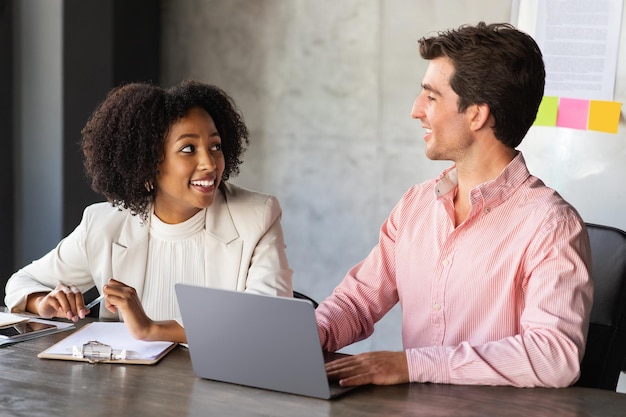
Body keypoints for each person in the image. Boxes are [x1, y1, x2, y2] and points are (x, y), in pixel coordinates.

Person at [316, 22, 593, 388]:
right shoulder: (416, 205)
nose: (416, 110)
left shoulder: (551, 225)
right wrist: (304, 337)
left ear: (477, 115)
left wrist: (413, 366)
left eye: (431, 97)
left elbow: (553, 356)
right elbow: (357, 302)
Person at [5, 80, 293, 343]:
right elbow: (21, 282)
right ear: (148, 163)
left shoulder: (257, 216)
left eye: (215, 146)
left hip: (221, 388)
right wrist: (43, 302)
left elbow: (269, 318)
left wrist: (152, 329)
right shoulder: (104, 224)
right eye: (189, 149)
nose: (210, 163)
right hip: (126, 391)